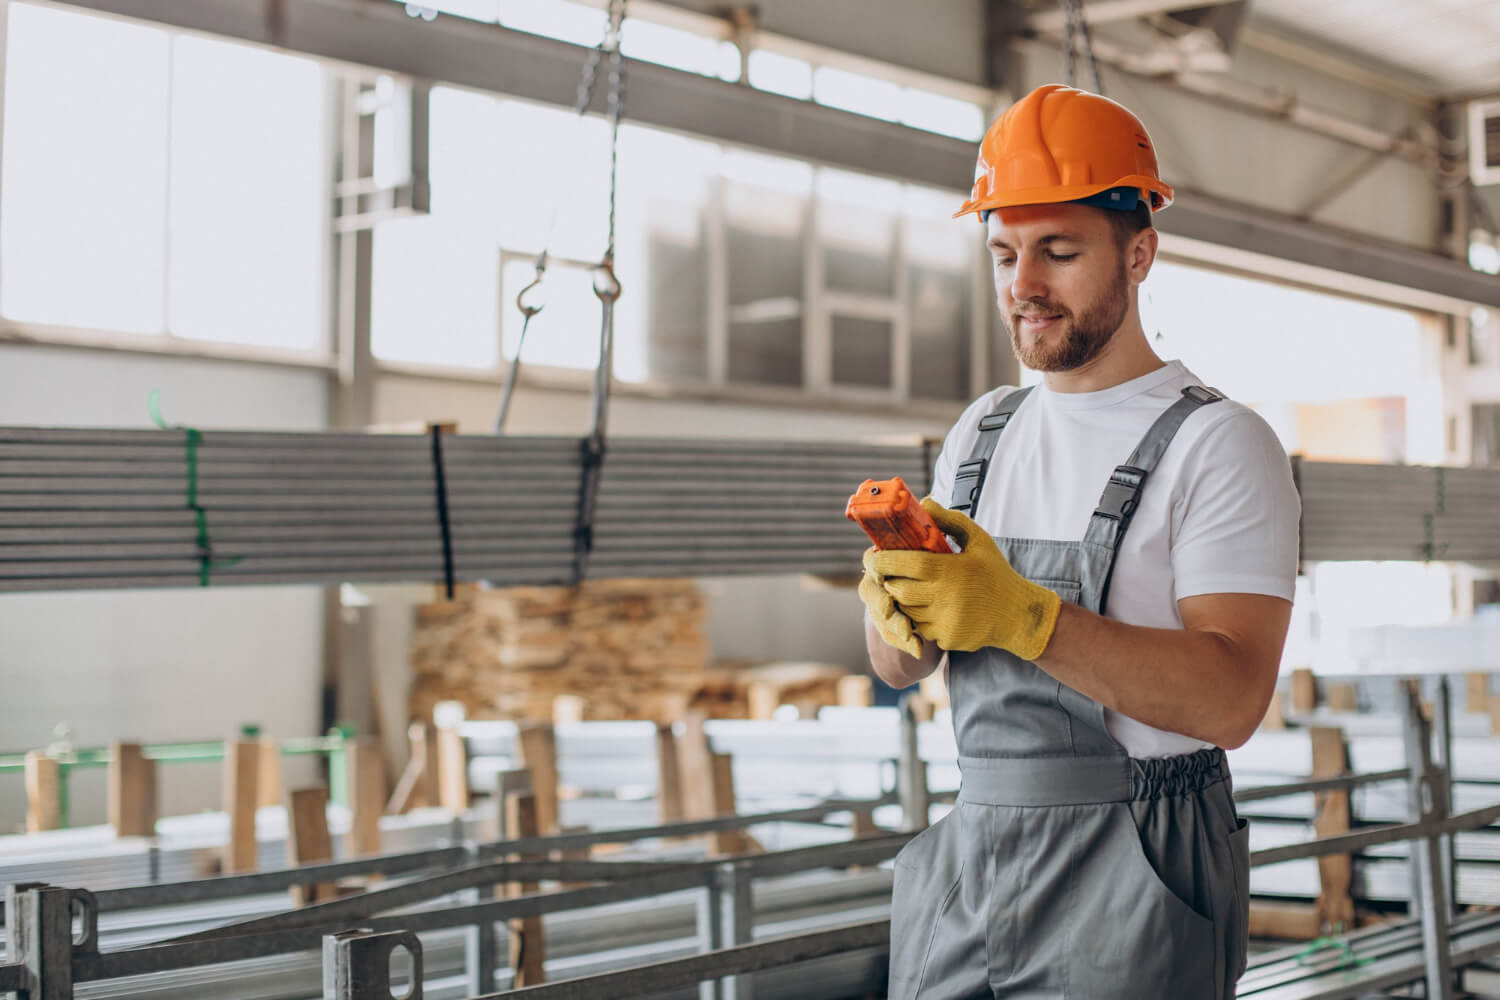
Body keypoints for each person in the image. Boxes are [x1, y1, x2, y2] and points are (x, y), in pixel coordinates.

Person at [860, 83, 1300, 999]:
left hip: (1135, 862)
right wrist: (896, 616)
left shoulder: (1218, 443)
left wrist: (1026, 619)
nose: (1024, 285)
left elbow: (1231, 701)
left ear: (1139, 252)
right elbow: (905, 671)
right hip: (975, 847)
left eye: (1059, 252)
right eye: (1005, 253)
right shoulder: (983, 430)